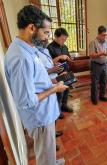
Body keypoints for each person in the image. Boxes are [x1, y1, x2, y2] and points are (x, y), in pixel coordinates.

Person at [4, 5, 68, 165]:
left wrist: (50, 81)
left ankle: (52, 161)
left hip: (44, 113)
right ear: (32, 27)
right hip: (40, 117)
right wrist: (55, 88)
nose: (47, 37)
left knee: (48, 150)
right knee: (44, 154)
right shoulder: (21, 58)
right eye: (45, 32)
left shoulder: (27, 49)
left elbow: (34, 79)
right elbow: (26, 101)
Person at [47, 27, 73, 113]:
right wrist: (60, 57)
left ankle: (64, 105)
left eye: (65, 39)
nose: (64, 41)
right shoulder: (49, 47)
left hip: (66, 70)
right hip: (56, 73)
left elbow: (68, 56)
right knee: (59, 93)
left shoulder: (65, 47)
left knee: (66, 89)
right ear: (56, 37)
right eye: (62, 39)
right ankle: (58, 110)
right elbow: (48, 63)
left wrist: (70, 58)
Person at [89, 25, 107, 105]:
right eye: (103, 35)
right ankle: (94, 98)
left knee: (103, 81)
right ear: (99, 34)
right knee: (95, 82)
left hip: (104, 64)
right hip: (96, 65)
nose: (105, 37)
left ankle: (102, 95)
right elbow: (91, 55)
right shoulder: (93, 42)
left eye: (106, 35)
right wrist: (101, 53)